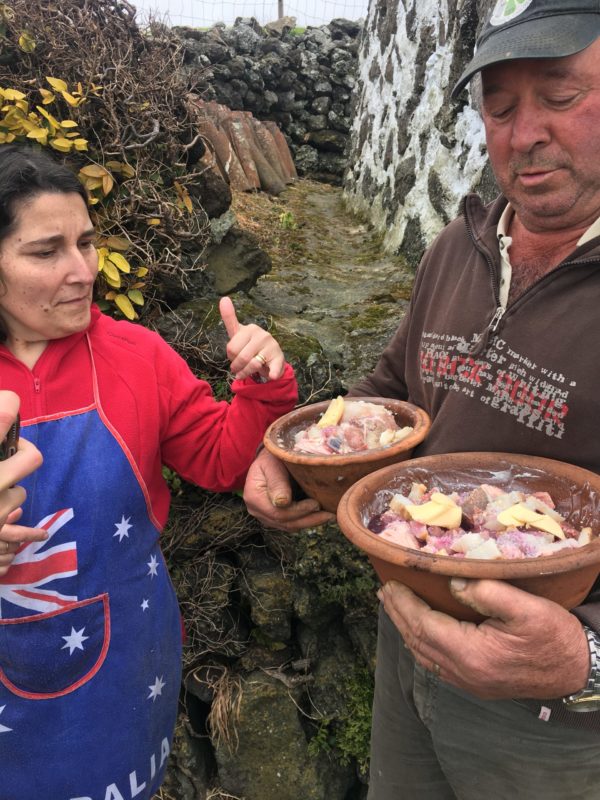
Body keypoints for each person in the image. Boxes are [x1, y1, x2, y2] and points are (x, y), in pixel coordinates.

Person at [243, 1, 600, 797]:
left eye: (560, 95)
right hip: (408, 641)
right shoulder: (460, 245)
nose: (524, 132)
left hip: (557, 721)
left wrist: (589, 658)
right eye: (499, 108)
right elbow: (393, 390)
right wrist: (296, 458)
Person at [0, 144, 298, 799]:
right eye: (46, 251)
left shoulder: (137, 355)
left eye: (86, 242)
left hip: (123, 668)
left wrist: (261, 387)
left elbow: (220, 460)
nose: (82, 270)